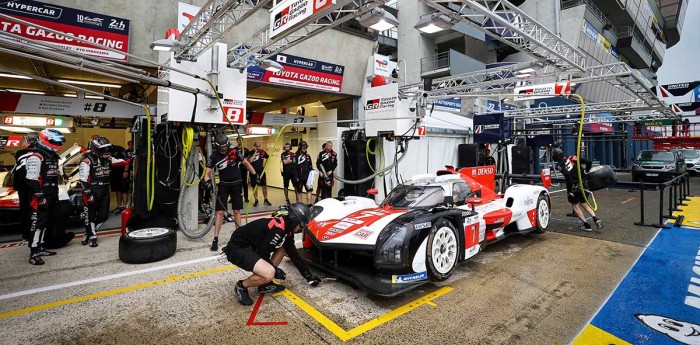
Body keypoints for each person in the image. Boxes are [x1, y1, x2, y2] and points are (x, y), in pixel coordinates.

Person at [224, 203, 321, 305]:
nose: (302, 228)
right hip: (237, 250)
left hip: (251, 247)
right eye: (302, 224)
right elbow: (262, 253)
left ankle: (264, 284)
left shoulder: (287, 229)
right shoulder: (278, 231)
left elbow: (294, 254)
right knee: (269, 273)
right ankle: (241, 286)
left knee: (284, 248)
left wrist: (308, 275)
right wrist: (275, 270)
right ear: (295, 221)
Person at [204, 134, 258, 252]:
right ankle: (215, 238)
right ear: (217, 147)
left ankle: (238, 237)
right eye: (221, 148)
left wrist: (254, 175)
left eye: (225, 147)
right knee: (220, 212)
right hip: (223, 186)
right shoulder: (213, 156)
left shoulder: (235, 152)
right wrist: (207, 182)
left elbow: (246, 163)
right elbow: (206, 174)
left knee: (237, 211)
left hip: (236, 185)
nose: (224, 150)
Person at [79, 137, 131, 247]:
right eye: (103, 149)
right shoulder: (87, 160)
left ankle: (88, 232)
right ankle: (92, 236)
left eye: (107, 148)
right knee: (90, 215)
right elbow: (83, 179)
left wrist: (132, 157)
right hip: (92, 190)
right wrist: (88, 193)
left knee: (104, 216)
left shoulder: (108, 159)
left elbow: (122, 162)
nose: (106, 151)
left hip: (104, 190)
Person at [25, 129, 66, 265]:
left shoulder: (52, 156)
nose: (59, 144)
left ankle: (41, 247)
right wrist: (40, 196)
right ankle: (34, 252)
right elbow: (31, 179)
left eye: (59, 141)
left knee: (46, 223)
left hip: (52, 194)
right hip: (40, 196)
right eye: (56, 141)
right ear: (45, 140)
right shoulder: (36, 157)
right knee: (38, 224)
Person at [552, 148, 603, 232]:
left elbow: (567, 175)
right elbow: (589, 162)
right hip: (584, 183)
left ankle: (587, 225)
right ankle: (596, 219)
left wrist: (570, 189)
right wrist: (586, 171)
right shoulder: (572, 157)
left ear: (555, 156)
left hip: (574, 185)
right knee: (584, 203)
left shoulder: (559, 165)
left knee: (575, 205)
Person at [12, 132, 38, 242]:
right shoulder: (41, 152)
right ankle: (36, 233)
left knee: (25, 210)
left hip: (22, 185)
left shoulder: (19, 153)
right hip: (34, 184)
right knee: (37, 210)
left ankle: (26, 235)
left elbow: (14, 172)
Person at [246, 141, 271, 207]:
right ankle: (256, 200)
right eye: (257, 146)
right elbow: (250, 161)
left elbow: (268, 157)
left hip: (261, 171)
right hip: (253, 172)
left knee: (264, 186)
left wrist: (264, 165)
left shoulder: (263, 152)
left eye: (259, 146)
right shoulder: (250, 152)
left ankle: (265, 199)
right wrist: (255, 152)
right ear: (254, 146)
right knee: (255, 186)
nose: (258, 147)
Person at [236, 138, 250, 203]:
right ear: (236, 141)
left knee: (245, 183)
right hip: (236, 169)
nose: (240, 141)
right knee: (236, 184)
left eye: (241, 140)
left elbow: (247, 159)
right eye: (238, 140)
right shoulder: (234, 149)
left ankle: (246, 197)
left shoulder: (246, 150)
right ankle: (236, 197)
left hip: (243, 169)